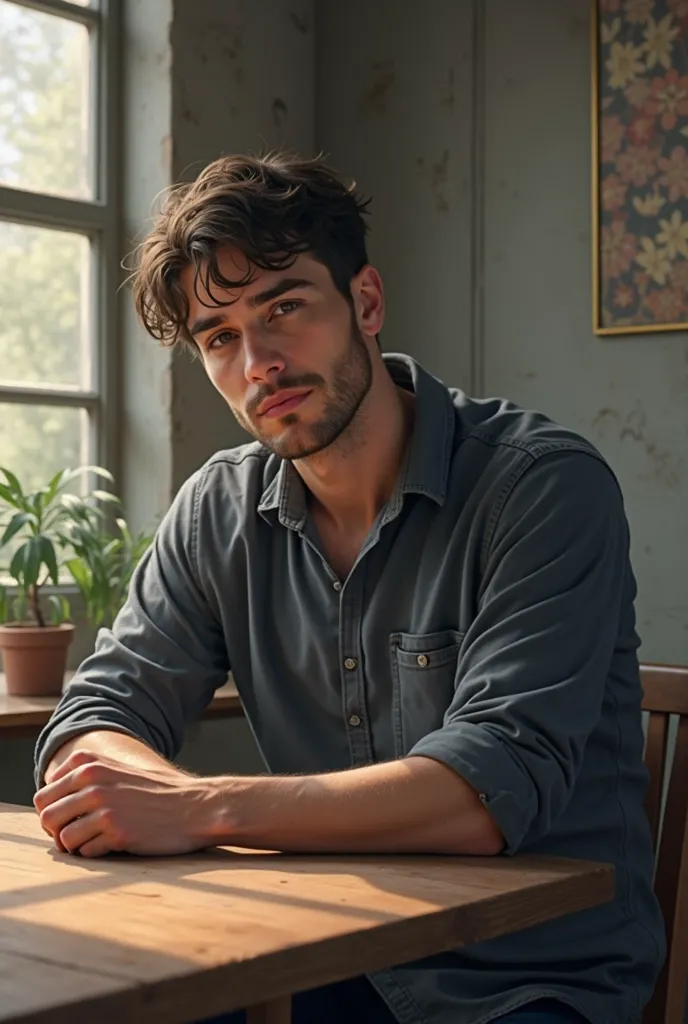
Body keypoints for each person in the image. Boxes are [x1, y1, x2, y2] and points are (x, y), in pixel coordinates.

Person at [33, 152, 664, 1024]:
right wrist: (128, 788)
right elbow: (94, 723)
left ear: (365, 302)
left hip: (524, 978)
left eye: (283, 307)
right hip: (313, 951)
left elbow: (486, 793)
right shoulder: (219, 506)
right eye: (219, 336)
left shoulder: (542, 487)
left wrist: (193, 806)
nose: (258, 361)